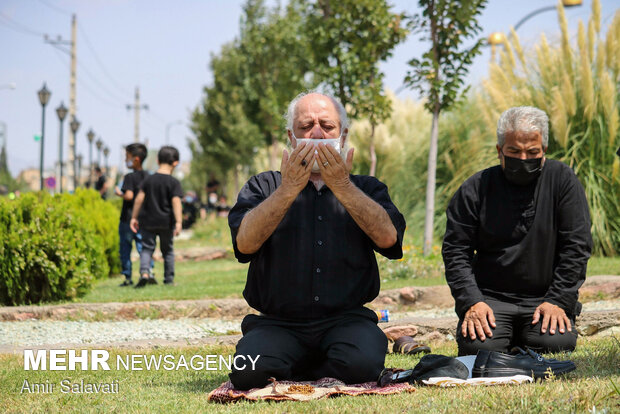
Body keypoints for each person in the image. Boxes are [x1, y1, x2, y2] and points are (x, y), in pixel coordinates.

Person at [227, 91, 406, 390]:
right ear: (290, 136)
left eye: (327, 125)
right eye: (306, 126)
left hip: (346, 320)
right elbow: (244, 244)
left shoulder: (367, 188)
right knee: (248, 373)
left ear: (344, 135)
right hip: (278, 322)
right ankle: (306, 364)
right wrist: (288, 190)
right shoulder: (264, 185)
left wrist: (342, 186)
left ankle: (300, 366)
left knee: (362, 365)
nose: (318, 133)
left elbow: (389, 240)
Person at [442, 106, 592, 356]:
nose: (523, 159)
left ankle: (521, 337)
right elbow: (456, 251)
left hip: (545, 297)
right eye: (514, 151)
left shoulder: (563, 181)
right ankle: (511, 337)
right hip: (490, 299)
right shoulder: (476, 188)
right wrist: (472, 301)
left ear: (544, 150)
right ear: (500, 150)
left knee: (554, 344)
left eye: (532, 152)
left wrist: (558, 300)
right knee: (478, 348)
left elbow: (577, 246)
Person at [130, 146, 183, 287]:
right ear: (175, 163)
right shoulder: (174, 182)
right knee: (168, 251)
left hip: (148, 221)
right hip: (166, 222)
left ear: (158, 161)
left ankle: (145, 273)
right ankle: (169, 279)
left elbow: (139, 199)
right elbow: (176, 202)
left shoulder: (149, 180)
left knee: (147, 248)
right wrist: (178, 221)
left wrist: (134, 217)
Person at [114, 143, 150, 286]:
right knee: (144, 246)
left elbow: (129, 195)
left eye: (127, 157)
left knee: (125, 248)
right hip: (144, 218)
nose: (125, 160)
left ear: (136, 159)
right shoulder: (148, 176)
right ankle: (147, 272)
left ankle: (127, 277)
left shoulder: (129, 177)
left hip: (127, 218)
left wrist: (119, 193)